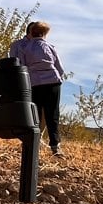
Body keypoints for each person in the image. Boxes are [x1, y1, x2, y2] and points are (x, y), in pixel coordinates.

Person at [13, 20, 65, 156]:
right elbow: (60, 68)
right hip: (52, 82)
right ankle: (55, 145)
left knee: (35, 114)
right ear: (44, 33)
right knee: (52, 114)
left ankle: (32, 142)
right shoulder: (50, 46)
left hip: (34, 83)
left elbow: (22, 66)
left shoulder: (24, 47)